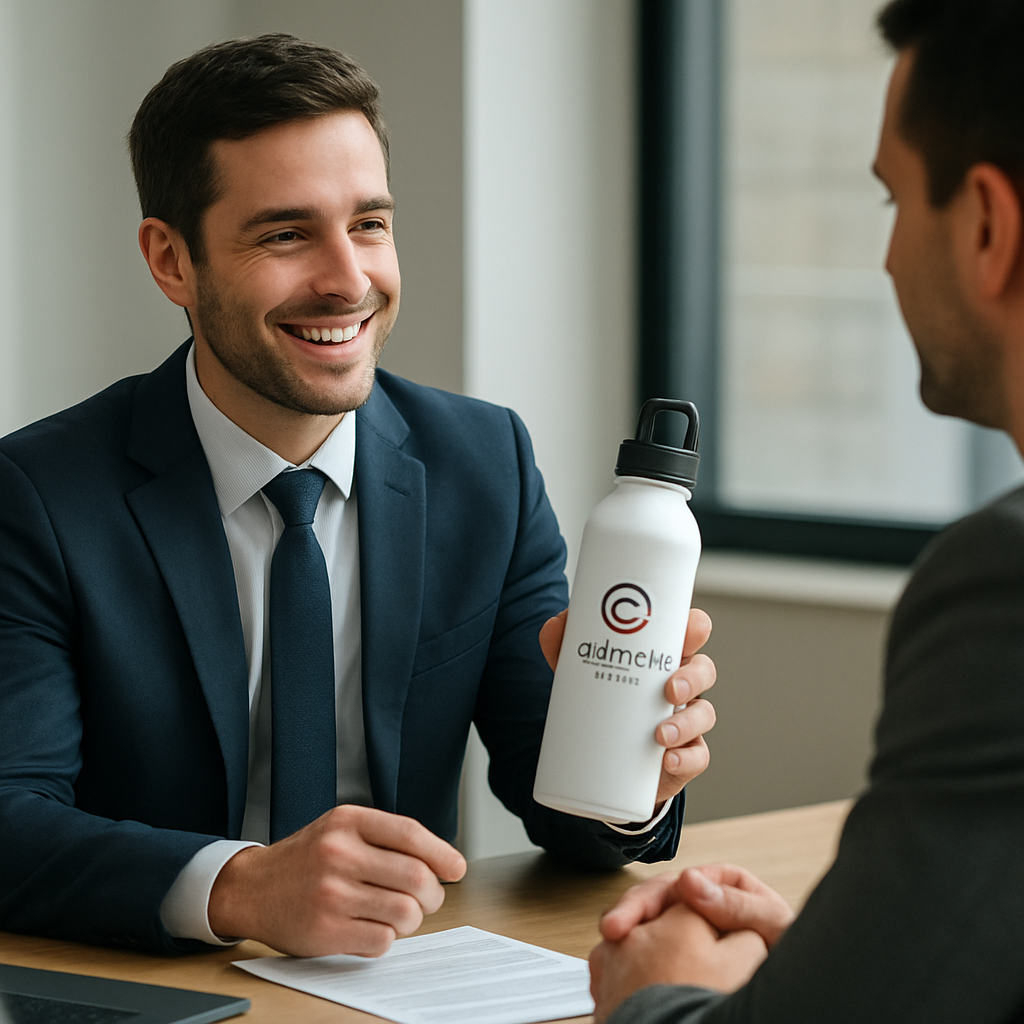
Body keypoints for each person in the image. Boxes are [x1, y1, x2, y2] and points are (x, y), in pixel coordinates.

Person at [0, 34, 718, 957]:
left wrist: (633, 779)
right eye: (287, 234)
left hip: (399, 985)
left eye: (369, 224)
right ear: (172, 261)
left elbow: (562, 803)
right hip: (160, 989)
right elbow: (11, 820)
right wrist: (240, 888)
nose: (349, 280)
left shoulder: (483, 461)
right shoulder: (38, 495)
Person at [589, 1, 1024, 1021]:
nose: (885, 260)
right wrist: (847, 959)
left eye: (893, 203)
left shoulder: (1004, 584)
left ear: (989, 228)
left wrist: (666, 998)